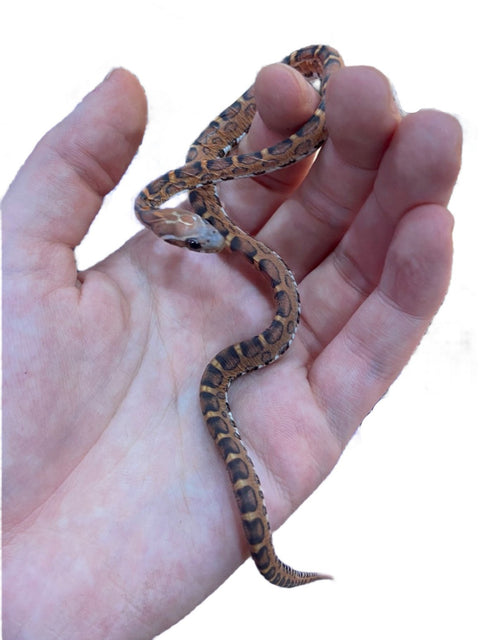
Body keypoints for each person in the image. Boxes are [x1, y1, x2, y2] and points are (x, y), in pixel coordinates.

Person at [2, 62, 461, 639]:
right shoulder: (174, 205)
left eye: (200, 239)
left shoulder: (195, 191)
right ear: (171, 231)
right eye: (197, 242)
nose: (204, 245)